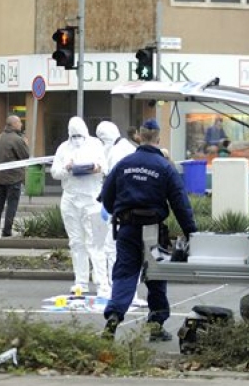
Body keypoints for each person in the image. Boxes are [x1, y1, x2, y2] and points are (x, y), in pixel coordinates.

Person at [100, 119, 197, 341]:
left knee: (124, 272)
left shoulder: (124, 164)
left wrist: (117, 210)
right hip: (153, 232)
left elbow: (106, 196)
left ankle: (114, 316)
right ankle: (155, 324)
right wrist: (192, 233)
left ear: (139, 137)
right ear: (158, 139)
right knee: (156, 275)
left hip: (127, 230)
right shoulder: (164, 167)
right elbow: (180, 203)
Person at [50, 116, 108, 295]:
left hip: (92, 199)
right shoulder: (63, 148)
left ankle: (102, 284)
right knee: (76, 243)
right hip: (70, 198)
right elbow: (54, 172)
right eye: (73, 136)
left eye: (79, 135)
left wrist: (94, 167)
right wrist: (67, 168)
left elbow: (105, 167)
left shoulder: (95, 145)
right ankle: (81, 282)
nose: (76, 139)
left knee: (95, 243)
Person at [94, 121, 136, 298]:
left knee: (112, 248)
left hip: (121, 207)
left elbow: (112, 181)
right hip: (132, 205)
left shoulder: (116, 152)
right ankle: (126, 289)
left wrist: (106, 202)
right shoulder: (127, 147)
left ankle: (116, 287)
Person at [0, 116, 29, 241]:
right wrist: (25, 144)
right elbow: (25, 156)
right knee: (12, 204)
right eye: (19, 122)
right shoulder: (16, 139)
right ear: (13, 124)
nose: (21, 124)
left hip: (0, 177)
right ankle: (7, 231)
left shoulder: (0, 137)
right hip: (13, 177)